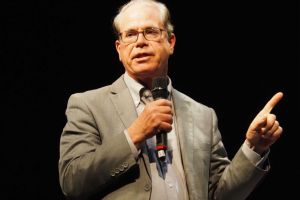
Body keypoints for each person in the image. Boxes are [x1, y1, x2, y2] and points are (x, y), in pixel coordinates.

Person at [58, 0, 284, 199]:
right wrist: (134, 135)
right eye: (130, 34)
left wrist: (254, 148)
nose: (140, 42)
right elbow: (72, 181)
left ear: (171, 42)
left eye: (150, 31)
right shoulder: (88, 105)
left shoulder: (202, 115)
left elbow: (221, 195)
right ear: (119, 49)